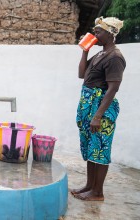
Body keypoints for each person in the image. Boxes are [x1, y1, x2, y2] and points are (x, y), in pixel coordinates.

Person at [71, 17, 126, 201]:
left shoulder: (115, 57)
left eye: (98, 31)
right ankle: (89, 186)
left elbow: (113, 88)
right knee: (91, 147)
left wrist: (98, 115)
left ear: (110, 34)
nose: (95, 34)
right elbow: (81, 75)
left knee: (101, 148)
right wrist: (85, 51)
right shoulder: (101, 54)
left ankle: (98, 192)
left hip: (101, 108)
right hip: (90, 106)